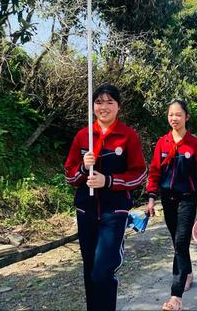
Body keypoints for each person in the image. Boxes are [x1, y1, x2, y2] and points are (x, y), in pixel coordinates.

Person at [64, 84, 147, 311]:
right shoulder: (83, 136)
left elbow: (138, 174)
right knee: (90, 271)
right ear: (93, 106)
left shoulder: (128, 136)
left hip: (115, 212)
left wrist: (108, 181)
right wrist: (83, 168)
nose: (104, 107)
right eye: (99, 102)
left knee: (103, 271)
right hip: (86, 211)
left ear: (118, 106)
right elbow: (69, 176)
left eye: (110, 102)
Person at [146, 100, 197, 311]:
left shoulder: (195, 144)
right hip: (167, 199)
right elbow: (155, 172)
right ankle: (188, 272)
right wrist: (151, 197)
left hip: (187, 198)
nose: (174, 119)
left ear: (187, 117)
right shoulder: (162, 142)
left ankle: (176, 297)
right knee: (177, 243)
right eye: (170, 115)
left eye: (178, 115)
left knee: (181, 242)